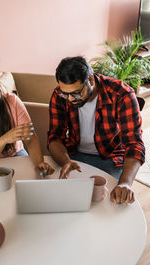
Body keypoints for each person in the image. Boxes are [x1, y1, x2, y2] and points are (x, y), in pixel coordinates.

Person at [47, 56, 145, 204]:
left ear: (91, 80)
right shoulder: (60, 95)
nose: (70, 99)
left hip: (110, 158)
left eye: (76, 93)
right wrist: (65, 161)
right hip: (74, 155)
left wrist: (125, 183)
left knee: (109, 202)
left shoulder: (121, 94)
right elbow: (55, 136)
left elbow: (134, 144)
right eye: (65, 94)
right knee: (61, 198)